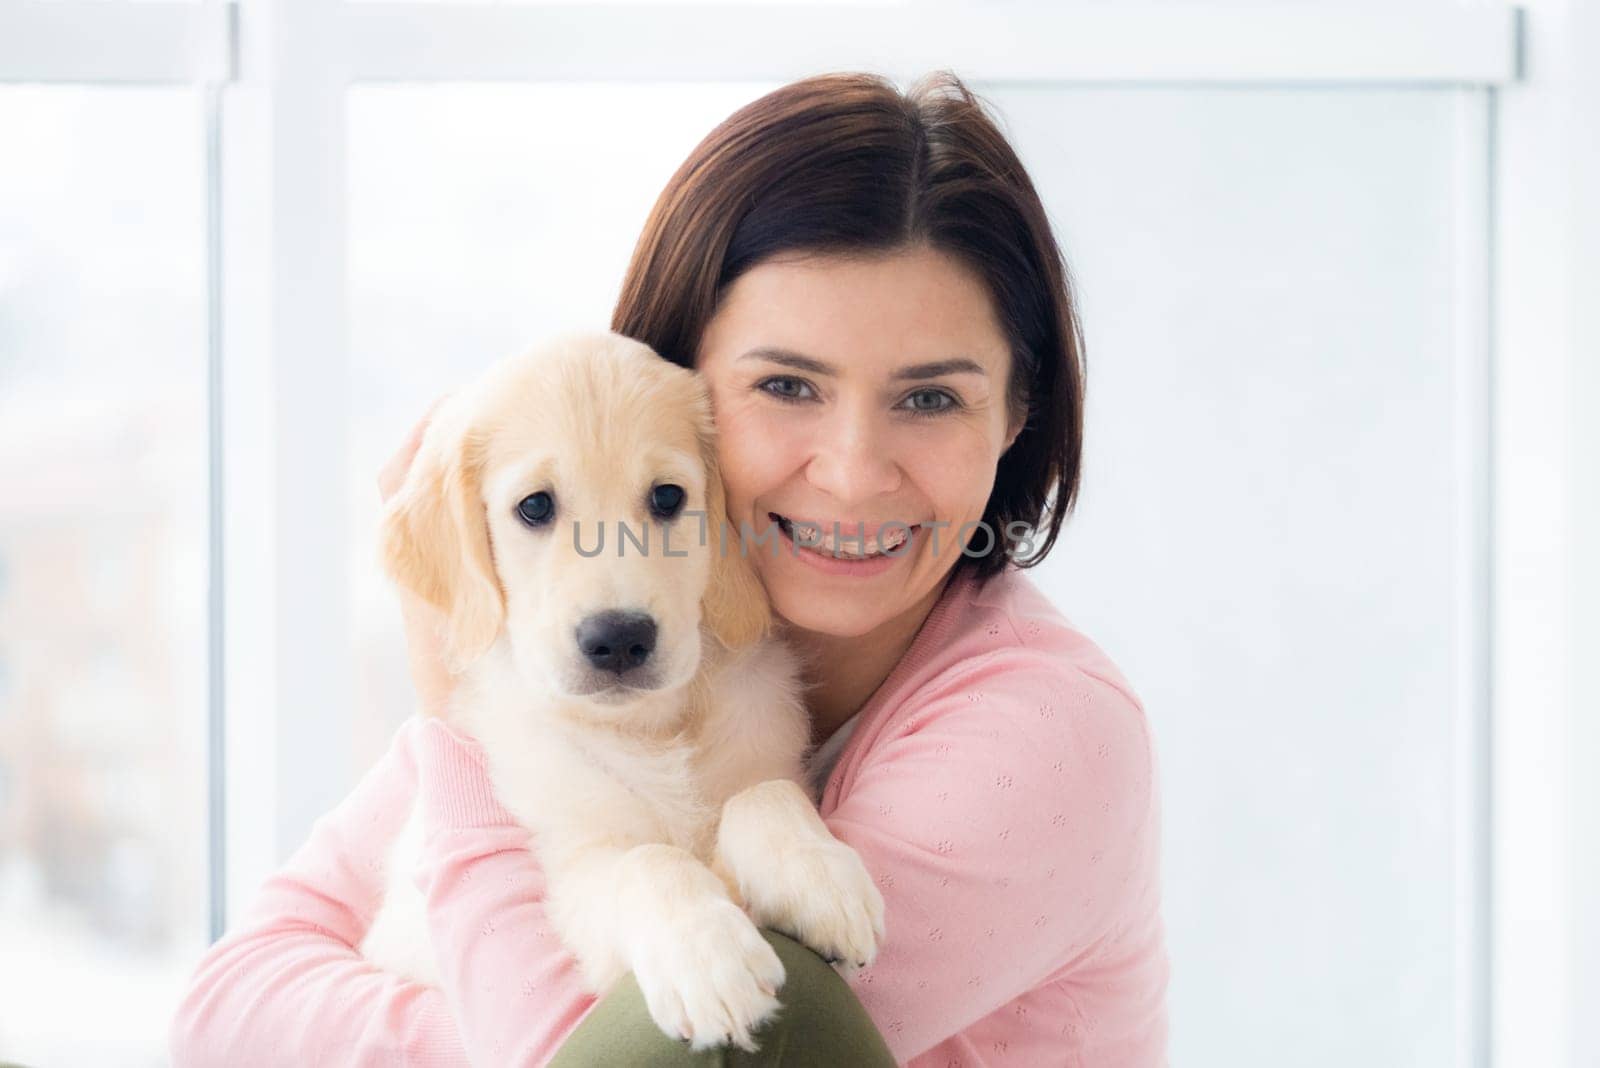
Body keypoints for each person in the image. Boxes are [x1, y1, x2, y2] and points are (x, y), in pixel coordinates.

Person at [170, 69, 1169, 1066]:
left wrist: (453, 735)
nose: (854, 476)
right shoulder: (558, 661)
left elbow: (660, 1062)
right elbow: (223, 1009)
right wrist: (459, 717)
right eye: (785, 385)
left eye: (930, 399)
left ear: (1016, 413)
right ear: (676, 378)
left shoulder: (1046, 739)